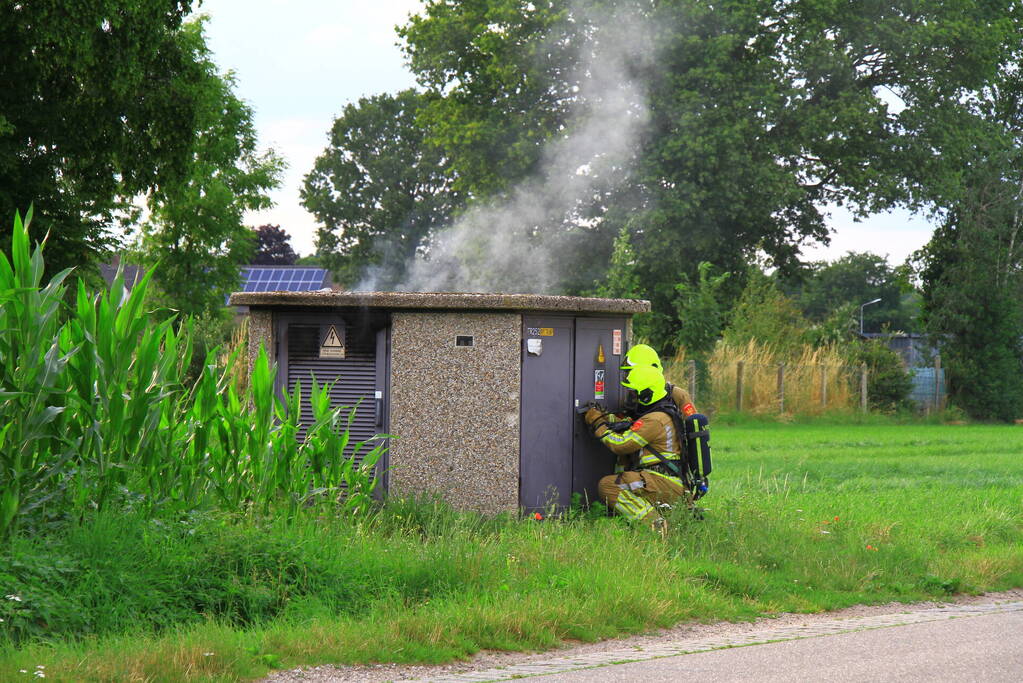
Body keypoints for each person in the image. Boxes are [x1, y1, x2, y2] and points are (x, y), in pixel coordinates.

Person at [583, 365, 689, 534]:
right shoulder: (659, 413)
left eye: (634, 393)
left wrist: (599, 424)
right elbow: (631, 426)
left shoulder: (655, 419)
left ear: (647, 395)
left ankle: (657, 527)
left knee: (609, 486)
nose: (630, 397)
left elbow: (621, 444)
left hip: (663, 481)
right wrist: (607, 418)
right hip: (666, 480)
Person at [618, 343, 698, 419]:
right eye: (627, 372)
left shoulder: (677, 395)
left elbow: (693, 422)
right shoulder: (632, 395)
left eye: (631, 372)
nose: (628, 377)